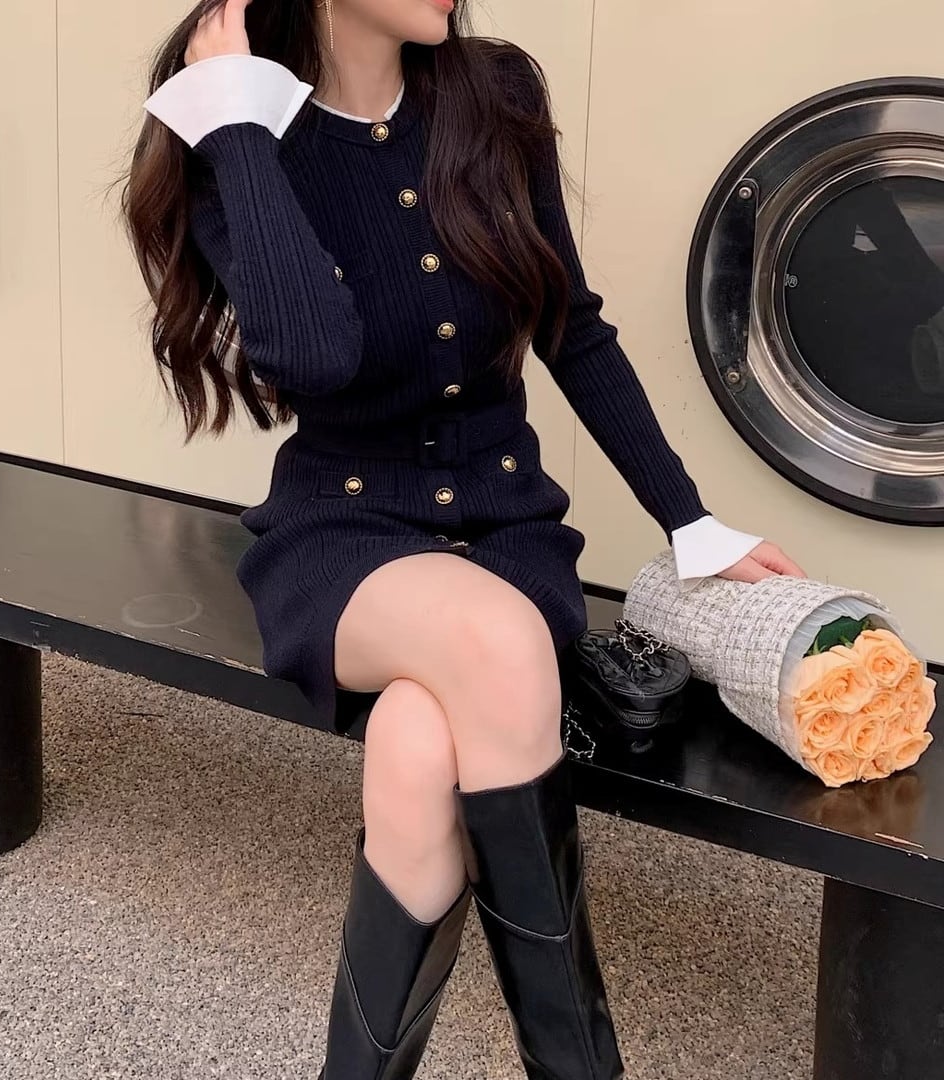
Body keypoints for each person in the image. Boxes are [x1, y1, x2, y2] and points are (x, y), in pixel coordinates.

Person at [122, 1, 806, 1076]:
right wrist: (240, 127)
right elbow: (313, 357)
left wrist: (692, 520)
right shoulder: (234, 125)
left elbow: (571, 325)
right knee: (493, 645)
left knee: (415, 749)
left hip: (506, 529)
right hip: (341, 534)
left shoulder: (496, 93)